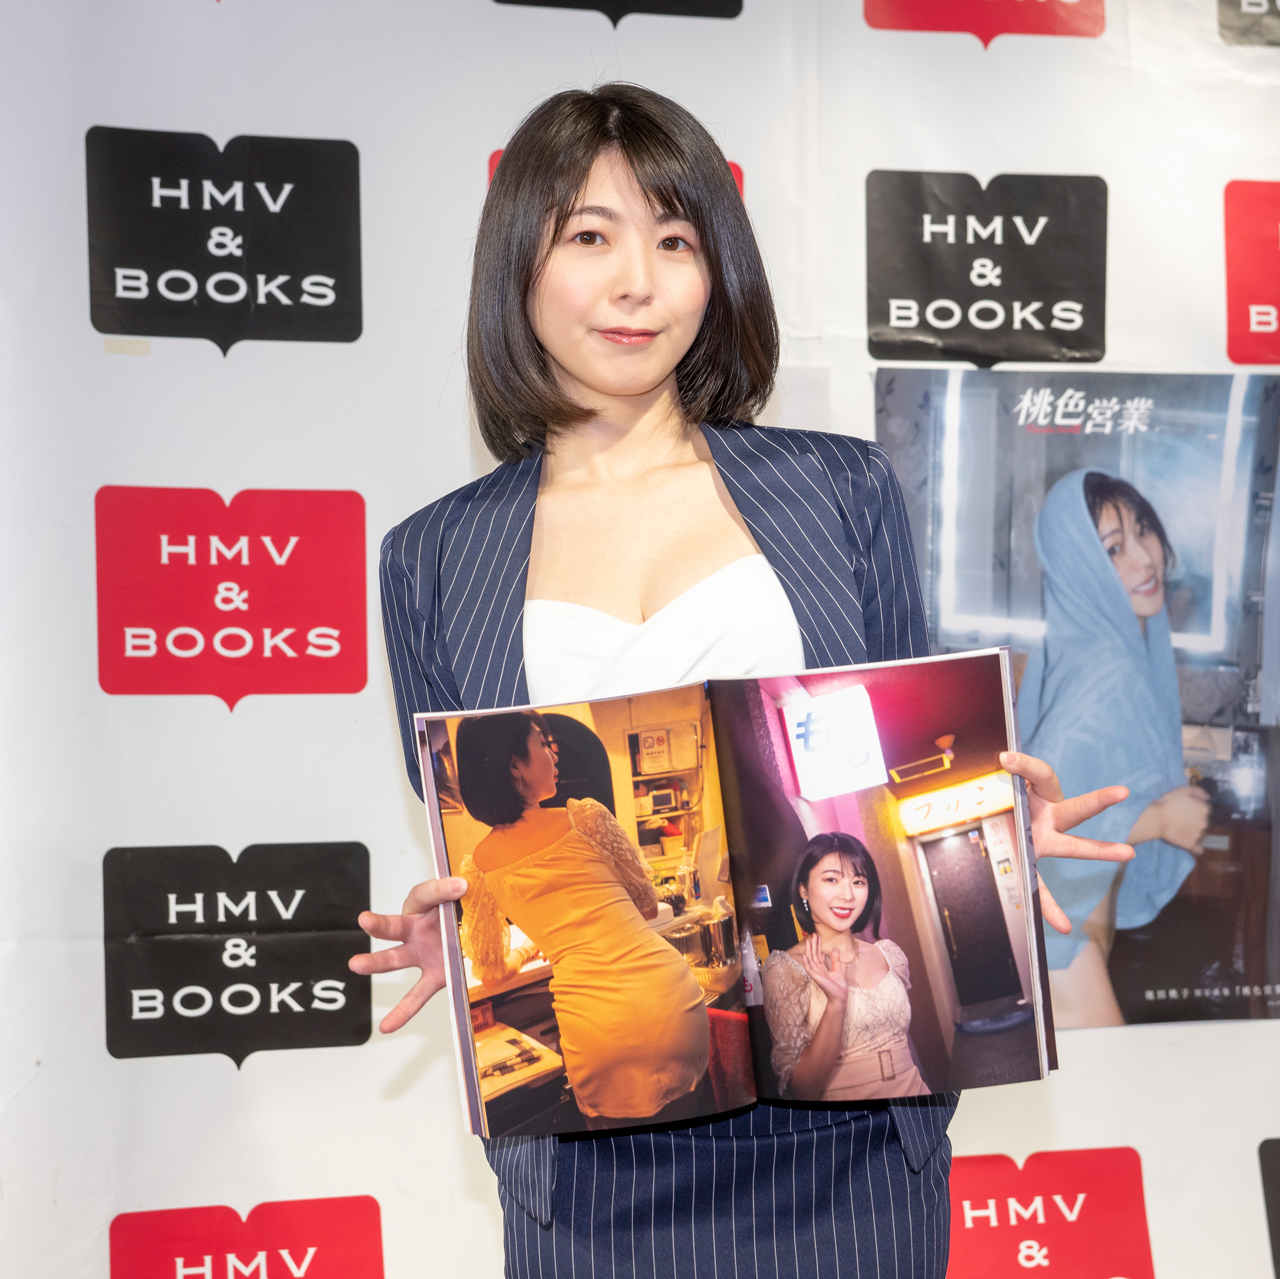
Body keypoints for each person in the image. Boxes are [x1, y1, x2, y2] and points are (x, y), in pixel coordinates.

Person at [351, 84, 1133, 1278]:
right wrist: (462, 936)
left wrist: (980, 828)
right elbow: (465, 821)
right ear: (518, 264)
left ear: (715, 270)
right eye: (589, 236)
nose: (637, 283)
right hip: (594, 1158)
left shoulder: (839, 491)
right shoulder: (431, 557)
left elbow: (899, 748)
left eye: (675, 241)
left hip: (845, 1141)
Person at [453, 709, 710, 1127]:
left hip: (593, 1025)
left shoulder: (478, 868)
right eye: (543, 744)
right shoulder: (586, 817)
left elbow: (492, 973)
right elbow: (647, 906)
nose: (554, 755)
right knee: (691, 1146)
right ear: (515, 764)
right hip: (668, 1000)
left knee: (617, 1158)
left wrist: (531, 944)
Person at [1019, 470, 1209, 1028]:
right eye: (1113, 549)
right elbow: (1041, 818)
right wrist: (1159, 820)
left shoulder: (1089, 647)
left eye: (1143, 530)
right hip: (1062, 946)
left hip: (1070, 931)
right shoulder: (1105, 669)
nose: (1146, 559)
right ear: (1079, 564)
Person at [762, 833, 930, 1101]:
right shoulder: (785, 969)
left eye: (858, 881)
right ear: (803, 888)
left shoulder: (888, 954)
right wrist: (836, 1003)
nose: (847, 895)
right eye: (831, 879)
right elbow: (802, 1090)